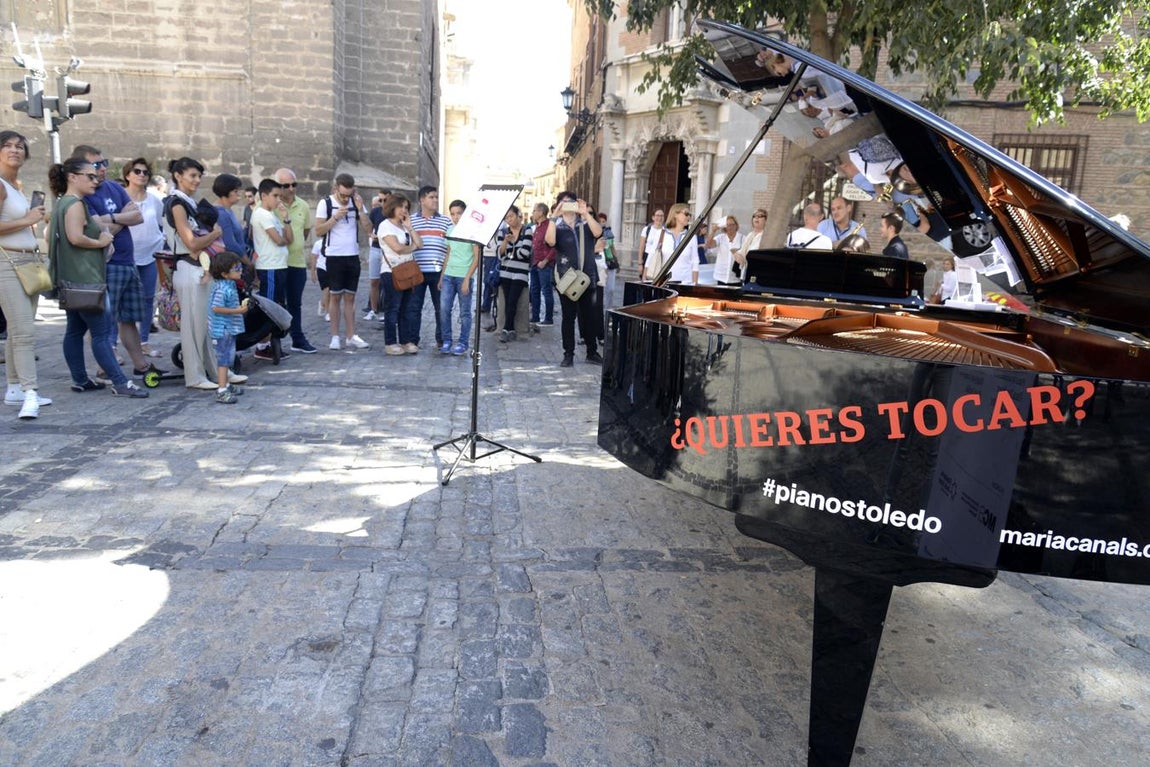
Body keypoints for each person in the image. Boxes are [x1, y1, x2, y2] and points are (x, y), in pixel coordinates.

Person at [48, 157, 148, 400]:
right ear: (72, 177)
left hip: (72, 278)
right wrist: (101, 241)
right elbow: (75, 237)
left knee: (74, 330)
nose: (95, 180)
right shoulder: (75, 204)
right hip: (86, 279)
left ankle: (80, 380)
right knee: (101, 334)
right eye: (89, 176)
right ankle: (120, 382)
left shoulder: (62, 203)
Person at [73, 144, 162, 384]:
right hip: (107, 263)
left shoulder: (113, 187)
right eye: (97, 164)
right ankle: (105, 368)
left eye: (104, 163)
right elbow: (97, 229)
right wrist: (122, 219)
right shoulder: (84, 195)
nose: (103, 168)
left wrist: (111, 219)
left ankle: (141, 365)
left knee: (129, 317)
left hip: (127, 261)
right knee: (104, 321)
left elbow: (137, 216)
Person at [162, 157, 233, 391]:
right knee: (193, 328)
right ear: (178, 176)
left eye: (199, 176)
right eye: (192, 175)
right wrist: (215, 235)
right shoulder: (176, 204)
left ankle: (214, 370)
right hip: (189, 267)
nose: (197, 180)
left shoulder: (187, 203)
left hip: (199, 268)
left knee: (206, 326)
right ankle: (195, 375)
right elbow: (191, 242)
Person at [0, 130, 51, 418]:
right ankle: (30, 392)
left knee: (18, 330)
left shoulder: (14, 186)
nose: (15, 150)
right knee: (23, 333)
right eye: (7, 146)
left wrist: (30, 221)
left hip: (27, 262)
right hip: (7, 262)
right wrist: (27, 219)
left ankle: (14, 388)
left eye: (20, 147)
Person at [543, 191, 602, 367]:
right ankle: (568, 354)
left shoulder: (585, 224)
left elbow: (598, 233)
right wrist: (554, 216)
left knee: (589, 317)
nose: (567, 204)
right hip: (566, 279)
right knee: (568, 318)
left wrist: (585, 213)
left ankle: (592, 352)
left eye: (570, 201)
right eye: (563, 202)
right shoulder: (557, 227)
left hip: (587, 276)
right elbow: (550, 241)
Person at [314, 173, 371, 350]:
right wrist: (335, 218)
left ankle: (351, 336)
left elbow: (368, 229)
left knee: (350, 298)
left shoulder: (356, 202)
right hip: (334, 256)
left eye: (349, 195)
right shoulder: (325, 203)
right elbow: (318, 231)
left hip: (352, 255)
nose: (346, 199)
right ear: (335, 188)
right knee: (335, 296)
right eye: (343, 195)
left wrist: (360, 210)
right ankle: (335, 337)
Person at [122, 158, 166, 358]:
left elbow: (162, 223)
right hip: (127, 255)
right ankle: (114, 345)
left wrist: (161, 241)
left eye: (145, 172)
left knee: (149, 299)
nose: (142, 175)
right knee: (120, 301)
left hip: (150, 255)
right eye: (137, 171)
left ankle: (144, 341)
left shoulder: (154, 199)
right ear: (128, 175)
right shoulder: (121, 197)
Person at [249, 177, 293, 360]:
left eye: (280, 196)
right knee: (269, 307)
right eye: (275, 196)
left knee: (277, 306)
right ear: (264, 195)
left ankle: (271, 344)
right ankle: (263, 346)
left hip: (279, 265)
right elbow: (279, 240)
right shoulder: (262, 214)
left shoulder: (272, 214)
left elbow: (289, 239)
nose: (278, 200)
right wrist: (284, 237)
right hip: (270, 267)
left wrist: (286, 219)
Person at [274, 167, 317, 354]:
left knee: (295, 303)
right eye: (286, 186)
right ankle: (272, 341)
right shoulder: (269, 205)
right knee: (275, 303)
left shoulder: (303, 206)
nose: (291, 189)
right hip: (276, 262)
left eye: (294, 184)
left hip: (297, 262)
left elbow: (305, 232)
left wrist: (297, 244)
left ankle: (297, 339)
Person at [376, 193, 423, 355]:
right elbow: (397, 248)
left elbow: (420, 243)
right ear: (392, 207)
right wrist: (412, 248)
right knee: (393, 308)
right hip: (392, 272)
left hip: (408, 271)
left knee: (406, 308)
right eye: (401, 206)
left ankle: (405, 341)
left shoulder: (405, 227)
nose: (404, 210)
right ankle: (390, 342)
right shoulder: (385, 226)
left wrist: (410, 227)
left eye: (406, 207)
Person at [409, 185, 451, 350]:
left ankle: (442, 339)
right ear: (422, 200)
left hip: (438, 272)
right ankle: (413, 340)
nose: (435, 200)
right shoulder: (411, 220)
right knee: (414, 308)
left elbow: (450, 247)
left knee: (441, 308)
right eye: (431, 197)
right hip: (416, 271)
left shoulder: (446, 221)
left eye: (436, 197)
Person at [438, 199, 479, 355]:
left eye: (459, 213)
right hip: (449, 275)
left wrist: (468, 278)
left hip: (463, 276)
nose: (456, 217)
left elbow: (477, 257)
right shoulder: (450, 231)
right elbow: (448, 254)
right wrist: (442, 276)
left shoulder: (473, 232)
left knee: (465, 312)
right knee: (444, 309)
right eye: (453, 214)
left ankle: (463, 342)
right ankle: (447, 340)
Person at [208, 251, 249, 404]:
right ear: (225, 274)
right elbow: (216, 307)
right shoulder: (222, 289)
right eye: (236, 269)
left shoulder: (228, 284)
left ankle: (226, 384)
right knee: (224, 360)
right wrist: (237, 311)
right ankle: (221, 390)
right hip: (222, 329)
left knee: (228, 358)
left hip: (228, 327)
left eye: (240, 267)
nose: (240, 271)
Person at [496, 205, 532, 343]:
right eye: (506, 218)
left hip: (520, 273)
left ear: (518, 215)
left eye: (511, 216)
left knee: (512, 300)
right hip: (505, 272)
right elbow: (500, 255)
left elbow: (525, 253)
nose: (509, 219)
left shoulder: (527, 230)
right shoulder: (503, 232)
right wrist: (506, 241)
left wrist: (509, 252)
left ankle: (507, 329)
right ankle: (509, 330)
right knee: (507, 301)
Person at [650, 203, 698, 285]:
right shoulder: (660, 234)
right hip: (664, 283)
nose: (688, 217)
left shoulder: (692, 236)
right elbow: (651, 257)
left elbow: (695, 262)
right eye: (686, 214)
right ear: (675, 214)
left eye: (689, 215)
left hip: (685, 283)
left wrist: (694, 285)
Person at [364, 188, 391, 321]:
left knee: (388, 282)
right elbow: (368, 225)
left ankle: (387, 311)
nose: (383, 202)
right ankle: (373, 310)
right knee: (374, 281)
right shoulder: (375, 212)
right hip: (376, 248)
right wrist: (370, 234)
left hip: (389, 249)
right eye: (380, 200)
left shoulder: (394, 211)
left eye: (385, 200)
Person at [528, 202, 556, 328]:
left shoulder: (549, 226)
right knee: (534, 291)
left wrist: (545, 261)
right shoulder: (537, 227)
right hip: (534, 263)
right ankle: (535, 316)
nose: (533, 213)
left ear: (541, 212)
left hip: (545, 265)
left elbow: (554, 247)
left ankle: (548, 318)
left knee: (546, 291)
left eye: (534, 211)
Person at [706, 215, 745, 285]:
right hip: (721, 277)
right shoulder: (721, 237)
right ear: (724, 227)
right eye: (728, 225)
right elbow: (708, 245)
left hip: (735, 278)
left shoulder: (742, 238)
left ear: (736, 225)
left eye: (732, 224)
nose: (730, 227)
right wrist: (713, 231)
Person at [637, 209, 665, 281]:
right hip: (647, 256)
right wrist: (640, 263)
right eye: (657, 215)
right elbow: (641, 246)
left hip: (658, 257)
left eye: (661, 216)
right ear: (653, 217)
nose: (659, 218)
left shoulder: (665, 231)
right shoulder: (647, 229)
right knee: (645, 279)